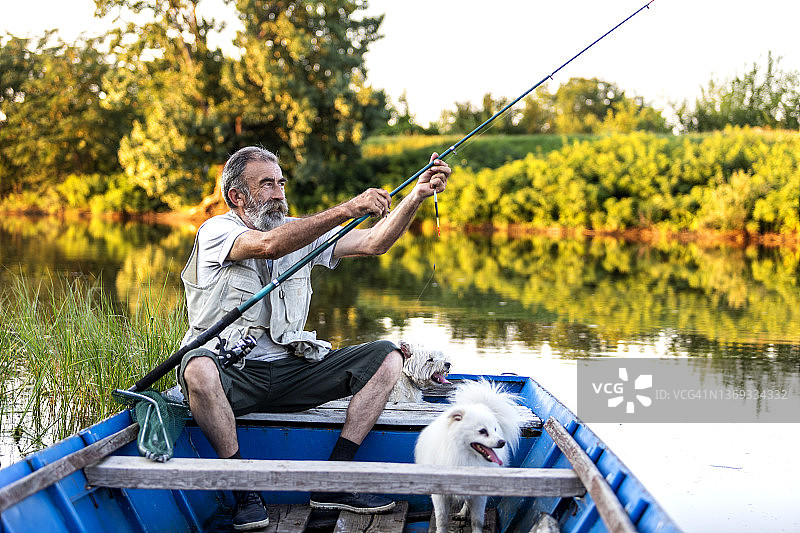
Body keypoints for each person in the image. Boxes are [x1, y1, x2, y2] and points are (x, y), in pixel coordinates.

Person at [177, 146, 451, 530]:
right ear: (238, 197)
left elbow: (374, 242)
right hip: (231, 375)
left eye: (281, 183)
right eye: (266, 184)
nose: (278, 192)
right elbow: (269, 245)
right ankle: (243, 489)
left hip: (292, 372)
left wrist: (416, 196)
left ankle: (333, 481)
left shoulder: (302, 232)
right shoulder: (216, 232)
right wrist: (346, 209)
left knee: (388, 356)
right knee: (198, 369)